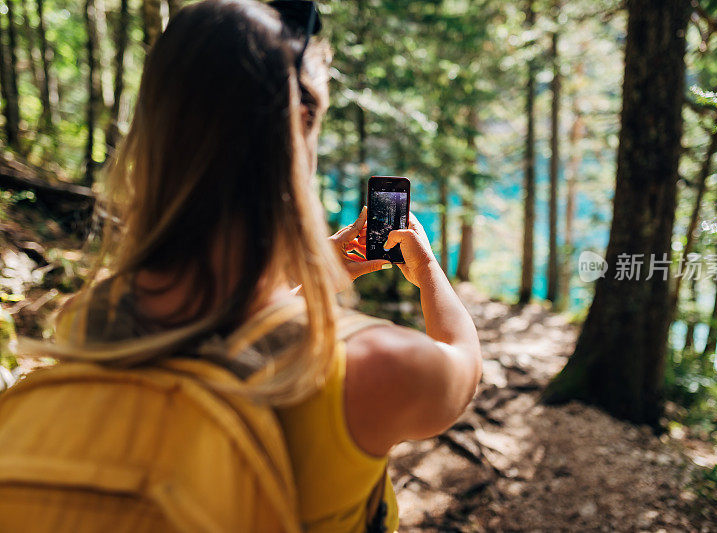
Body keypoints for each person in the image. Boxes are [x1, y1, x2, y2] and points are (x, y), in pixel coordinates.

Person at [0, 1, 481, 532]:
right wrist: (429, 267)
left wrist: (323, 270)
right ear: (299, 128)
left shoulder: (89, 321)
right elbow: (463, 363)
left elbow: (224, 338)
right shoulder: (369, 366)